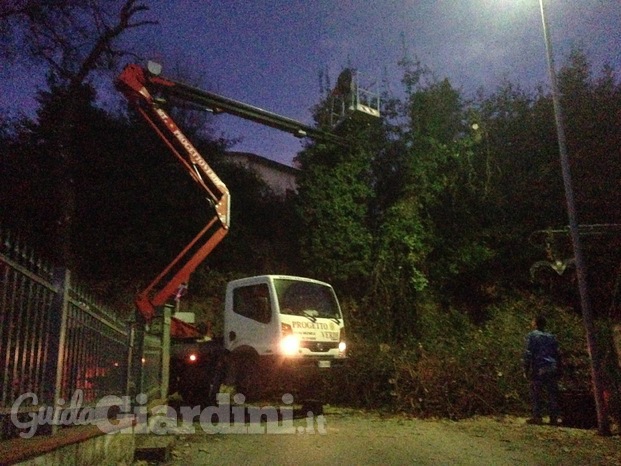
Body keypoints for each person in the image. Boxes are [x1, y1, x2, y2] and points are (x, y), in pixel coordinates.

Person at [523, 315, 562, 425]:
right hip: (552, 366)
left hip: (539, 367)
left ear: (535, 323)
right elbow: (558, 353)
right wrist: (559, 368)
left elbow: (528, 353)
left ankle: (537, 416)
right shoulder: (551, 337)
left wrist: (526, 368)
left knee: (536, 392)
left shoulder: (532, 336)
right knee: (552, 393)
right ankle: (553, 417)